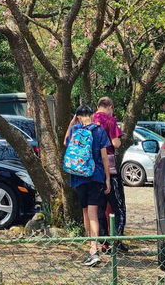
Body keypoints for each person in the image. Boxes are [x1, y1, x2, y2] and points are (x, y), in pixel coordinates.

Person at [64, 104, 112, 267]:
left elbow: (66, 142)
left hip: (79, 177)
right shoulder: (99, 131)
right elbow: (105, 157)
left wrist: (72, 121)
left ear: (77, 116)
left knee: (85, 212)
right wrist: (107, 178)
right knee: (93, 213)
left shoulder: (74, 130)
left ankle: (90, 248)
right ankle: (94, 249)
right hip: (96, 175)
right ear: (91, 115)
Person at [93, 97, 128, 251]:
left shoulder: (90, 119)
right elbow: (116, 143)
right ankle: (117, 241)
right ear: (110, 107)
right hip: (110, 168)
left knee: (100, 207)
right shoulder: (110, 120)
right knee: (119, 206)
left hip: (93, 169)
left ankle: (104, 243)